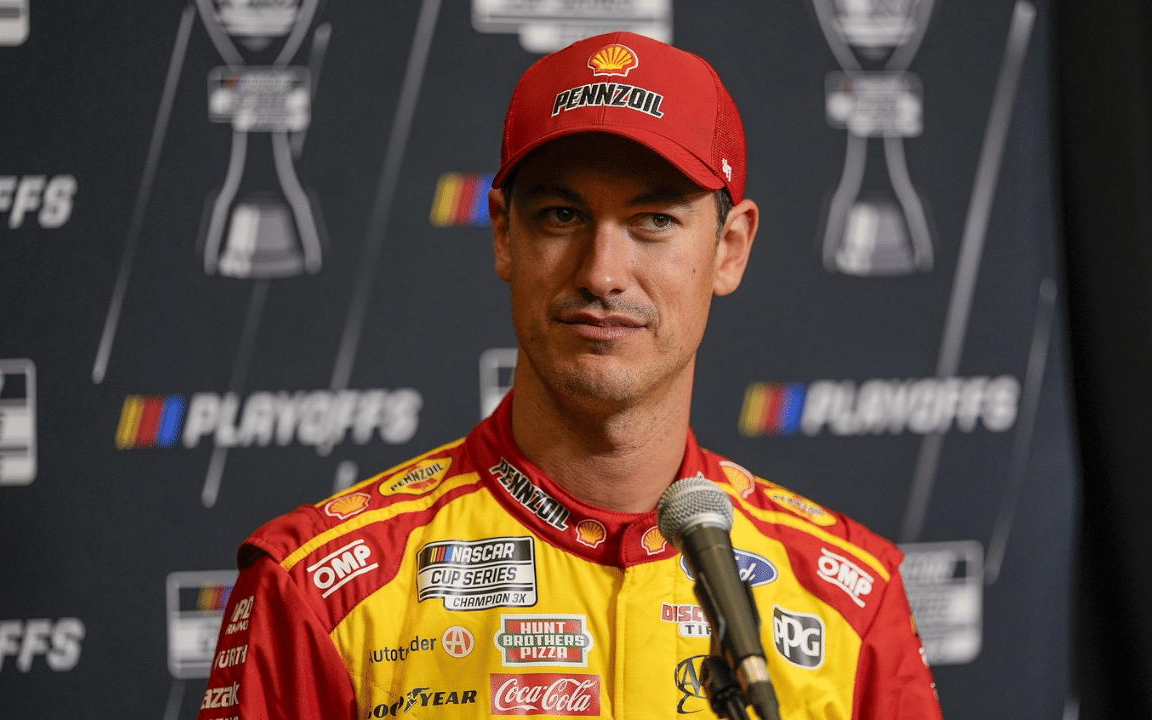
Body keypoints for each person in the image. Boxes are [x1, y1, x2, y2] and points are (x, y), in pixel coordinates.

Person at [197, 31, 943, 720]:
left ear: (731, 248)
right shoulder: (316, 591)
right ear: (503, 237)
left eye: (654, 220)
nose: (602, 273)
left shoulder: (853, 601)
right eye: (560, 216)